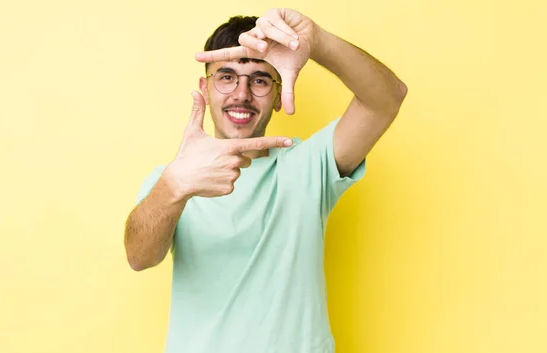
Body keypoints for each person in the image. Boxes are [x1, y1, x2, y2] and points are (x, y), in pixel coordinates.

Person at [123, 8, 407, 353]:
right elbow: (139, 257)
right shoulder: (172, 179)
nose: (241, 94)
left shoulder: (308, 165)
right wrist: (173, 188)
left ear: (277, 94)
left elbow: (386, 99)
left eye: (259, 80)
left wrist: (317, 42)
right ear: (205, 88)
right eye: (226, 77)